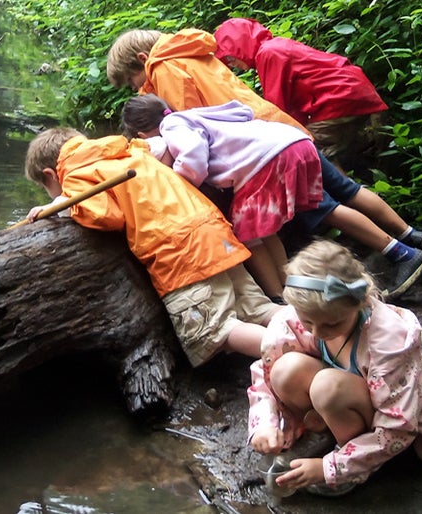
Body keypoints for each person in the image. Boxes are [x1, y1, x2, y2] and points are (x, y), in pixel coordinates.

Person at [107, 28, 422, 299]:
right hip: (278, 130)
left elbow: (187, 120)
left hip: (260, 152)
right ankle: (411, 236)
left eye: (135, 82)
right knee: (344, 190)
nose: (141, 87)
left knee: (322, 206)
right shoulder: (193, 52)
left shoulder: (164, 68)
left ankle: (400, 254)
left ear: (142, 59)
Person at [247, 239, 422, 496]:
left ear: (359, 303)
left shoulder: (388, 342)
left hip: (386, 417)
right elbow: (266, 374)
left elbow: (398, 425)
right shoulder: (297, 317)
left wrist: (330, 468)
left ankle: (352, 459)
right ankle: (332, 432)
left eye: (332, 324)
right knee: (283, 369)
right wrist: (264, 424)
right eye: (308, 322)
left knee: (327, 387)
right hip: (347, 399)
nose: (318, 332)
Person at [24, 127, 280, 367]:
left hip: (180, 250)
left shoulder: (78, 172)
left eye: (44, 188)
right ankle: (308, 332)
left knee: (219, 330)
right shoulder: (126, 151)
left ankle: (292, 349)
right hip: (213, 232)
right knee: (259, 309)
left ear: (49, 175)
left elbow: (106, 216)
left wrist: (64, 204)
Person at [120, 94, 323, 300]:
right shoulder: (194, 116)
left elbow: (193, 154)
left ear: (142, 135)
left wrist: (181, 184)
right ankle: (288, 285)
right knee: (262, 231)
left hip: (265, 160)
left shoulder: (172, 125)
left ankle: (277, 296)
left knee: (246, 236)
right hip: (291, 142)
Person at [213, 17, 388, 174]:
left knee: (309, 150)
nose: (233, 64)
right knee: (365, 154)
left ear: (240, 45)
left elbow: (278, 109)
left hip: (339, 98)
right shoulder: (277, 46)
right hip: (354, 91)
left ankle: (347, 201)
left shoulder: (268, 53)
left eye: (231, 57)